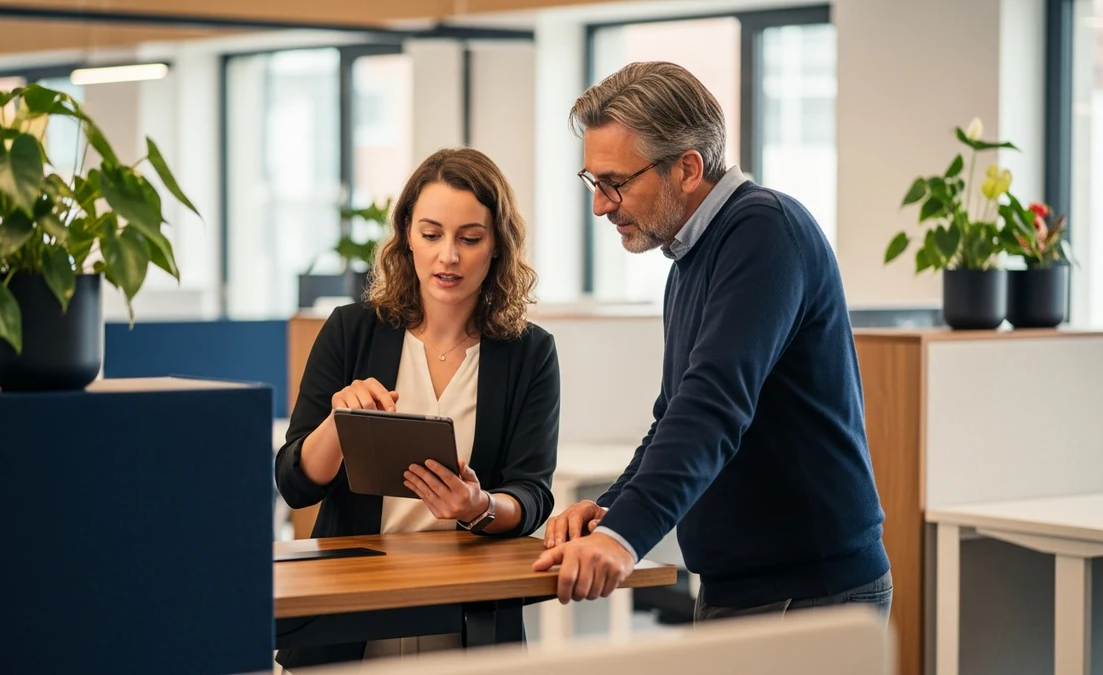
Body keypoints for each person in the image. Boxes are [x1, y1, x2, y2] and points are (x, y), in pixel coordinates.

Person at [533, 61, 893, 623]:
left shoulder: (763, 231)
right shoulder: (690, 256)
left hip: (809, 588)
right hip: (745, 584)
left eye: (615, 183)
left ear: (687, 168)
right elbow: (674, 414)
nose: (601, 204)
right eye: (593, 182)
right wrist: (611, 511)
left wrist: (624, 538)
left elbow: (713, 403)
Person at [275, 148, 560, 667]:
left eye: (469, 239)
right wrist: (338, 425)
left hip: (467, 612)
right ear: (407, 234)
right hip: (351, 612)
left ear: (497, 245)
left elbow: (532, 494)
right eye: (431, 234)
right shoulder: (351, 331)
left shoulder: (529, 352)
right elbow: (295, 484)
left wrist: (480, 507)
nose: (448, 256)